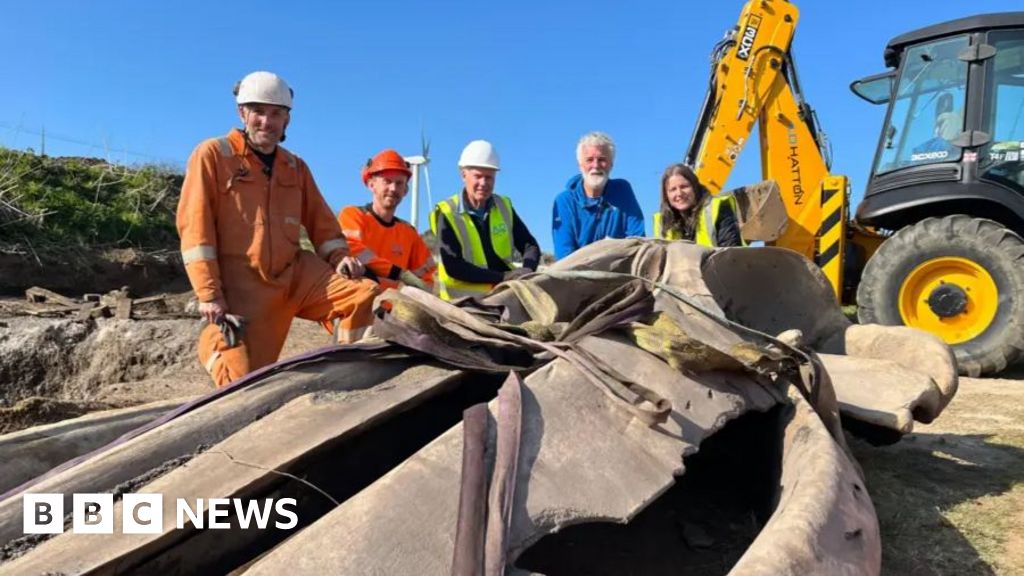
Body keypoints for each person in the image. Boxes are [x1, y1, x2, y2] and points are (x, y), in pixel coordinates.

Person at [176, 71, 379, 387]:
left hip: (295, 276)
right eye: (258, 112)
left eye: (276, 114)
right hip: (243, 288)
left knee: (363, 294)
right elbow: (195, 230)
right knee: (241, 383)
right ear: (242, 113)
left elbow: (321, 222)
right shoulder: (213, 155)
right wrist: (209, 294)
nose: (266, 122)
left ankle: (350, 377)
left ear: (287, 120)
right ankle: (213, 341)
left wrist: (339, 255)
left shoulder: (295, 167)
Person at [429, 140, 540, 300]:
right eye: (478, 176)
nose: (483, 183)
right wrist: (503, 277)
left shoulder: (504, 206)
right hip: (461, 303)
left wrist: (528, 271)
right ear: (463, 175)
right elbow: (453, 266)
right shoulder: (447, 212)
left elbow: (529, 245)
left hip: (501, 296)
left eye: (489, 177)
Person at [338, 149, 436, 292]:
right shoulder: (352, 215)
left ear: (405, 191)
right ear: (372, 185)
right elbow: (352, 249)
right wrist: (399, 273)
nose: (393, 188)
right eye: (387, 181)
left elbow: (427, 275)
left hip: (392, 310)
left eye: (399, 183)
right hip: (356, 303)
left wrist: (423, 293)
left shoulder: (408, 233)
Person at [552, 131, 645, 259]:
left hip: (620, 272)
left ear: (611, 164)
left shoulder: (623, 191)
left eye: (602, 160)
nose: (595, 166)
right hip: (577, 274)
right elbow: (564, 255)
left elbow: (638, 240)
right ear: (580, 165)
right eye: (589, 160)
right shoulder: (564, 201)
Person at [652, 163, 743, 247]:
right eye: (673, 189)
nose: (679, 193)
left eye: (684, 186)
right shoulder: (661, 222)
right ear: (666, 195)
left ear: (695, 187)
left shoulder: (717, 208)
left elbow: (730, 252)